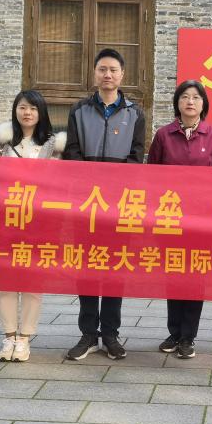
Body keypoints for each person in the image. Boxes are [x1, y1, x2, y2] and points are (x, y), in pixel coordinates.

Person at [63, 48, 146, 362]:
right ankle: (88, 333)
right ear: (95, 73)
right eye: (102, 69)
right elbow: (72, 154)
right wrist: (90, 187)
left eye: (113, 70)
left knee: (115, 267)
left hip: (120, 205)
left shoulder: (135, 114)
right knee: (85, 266)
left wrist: (114, 189)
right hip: (86, 203)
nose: (107, 75)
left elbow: (136, 158)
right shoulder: (79, 111)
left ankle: (110, 333)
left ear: (122, 75)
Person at [148, 80, 212, 360]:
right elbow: (152, 177)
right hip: (170, 219)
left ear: (203, 103)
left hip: (201, 223)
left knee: (195, 277)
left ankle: (188, 336)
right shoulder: (163, 135)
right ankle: (174, 332)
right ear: (177, 103)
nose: (190, 102)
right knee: (173, 274)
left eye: (196, 97)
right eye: (185, 97)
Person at [0, 89, 65, 362]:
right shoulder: (1, 143)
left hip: (40, 222)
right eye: (22, 107)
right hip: (6, 220)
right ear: (15, 110)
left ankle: (24, 339)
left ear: (41, 112)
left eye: (33, 108)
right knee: (5, 281)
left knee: (33, 281)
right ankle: (9, 336)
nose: (27, 112)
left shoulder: (55, 145)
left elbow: (63, 184)